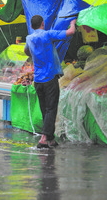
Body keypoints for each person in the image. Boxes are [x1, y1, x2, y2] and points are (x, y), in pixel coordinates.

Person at [24, 15, 77, 148]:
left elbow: (26, 51)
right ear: (43, 23)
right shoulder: (48, 34)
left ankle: (51, 139)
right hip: (50, 78)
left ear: (31, 26)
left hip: (37, 80)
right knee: (51, 109)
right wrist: (72, 23)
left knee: (45, 109)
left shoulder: (29, 38)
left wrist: (36, 54)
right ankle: (43, 138)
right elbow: (71, 32)